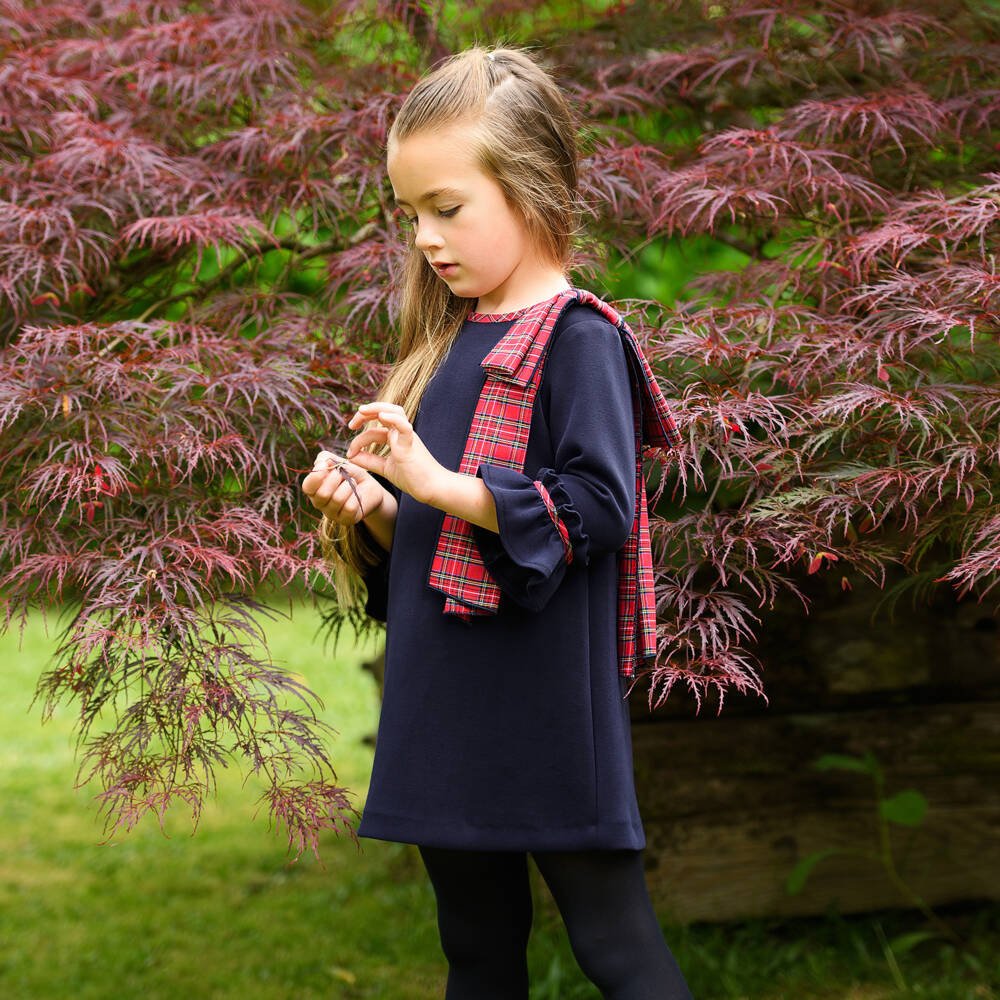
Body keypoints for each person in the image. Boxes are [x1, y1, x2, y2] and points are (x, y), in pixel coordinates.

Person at [301, 45, 694, 1000]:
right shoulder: (450, 343)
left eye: (448, 207)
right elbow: (446, 545)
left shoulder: (580, 337)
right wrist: (385, 508)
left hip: (545, 708)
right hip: (446, 704)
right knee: (476, 950)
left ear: (531, 187)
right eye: (412, 217)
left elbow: (598, 507)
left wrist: (436, 483)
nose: (428, 239)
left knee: (615, 945)